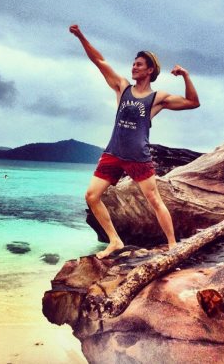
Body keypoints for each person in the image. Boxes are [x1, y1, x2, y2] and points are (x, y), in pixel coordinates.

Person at [69, 24, 200, 259]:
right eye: (133, 63)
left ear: (149, 70)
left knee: (155, 201)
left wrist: (185, 76)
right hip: (113, 153)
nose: (134, 67)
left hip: (138, 157)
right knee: (91, 196)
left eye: (139, 64)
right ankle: (115, 240)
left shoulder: (157, 98)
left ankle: (173, 246)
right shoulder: (122, 88)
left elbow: (193, 102)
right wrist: (81, 36)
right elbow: (99, 61)